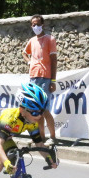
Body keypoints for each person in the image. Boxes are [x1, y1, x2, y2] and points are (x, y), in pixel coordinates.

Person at [22, 14, 57, 145]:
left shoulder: (50, 39)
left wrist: (53, 81)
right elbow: (23, 53)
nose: (35, 26)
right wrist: (29, 62)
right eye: (33, 24)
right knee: (37, 110)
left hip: (45, 77)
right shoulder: (32, 40)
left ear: (43, 25)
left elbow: (54, 61)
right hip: (33, 78)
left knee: (45, 109)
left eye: (37, 24)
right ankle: (41, 137)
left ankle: (52, 137)